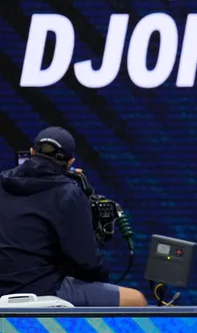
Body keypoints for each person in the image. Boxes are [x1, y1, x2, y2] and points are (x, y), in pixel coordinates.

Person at [0, 126, 147, 307]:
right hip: (43, 289)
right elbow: (88, 262)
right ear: (70, 162)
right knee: (135, 300)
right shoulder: (68, 194)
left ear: (31, 152)